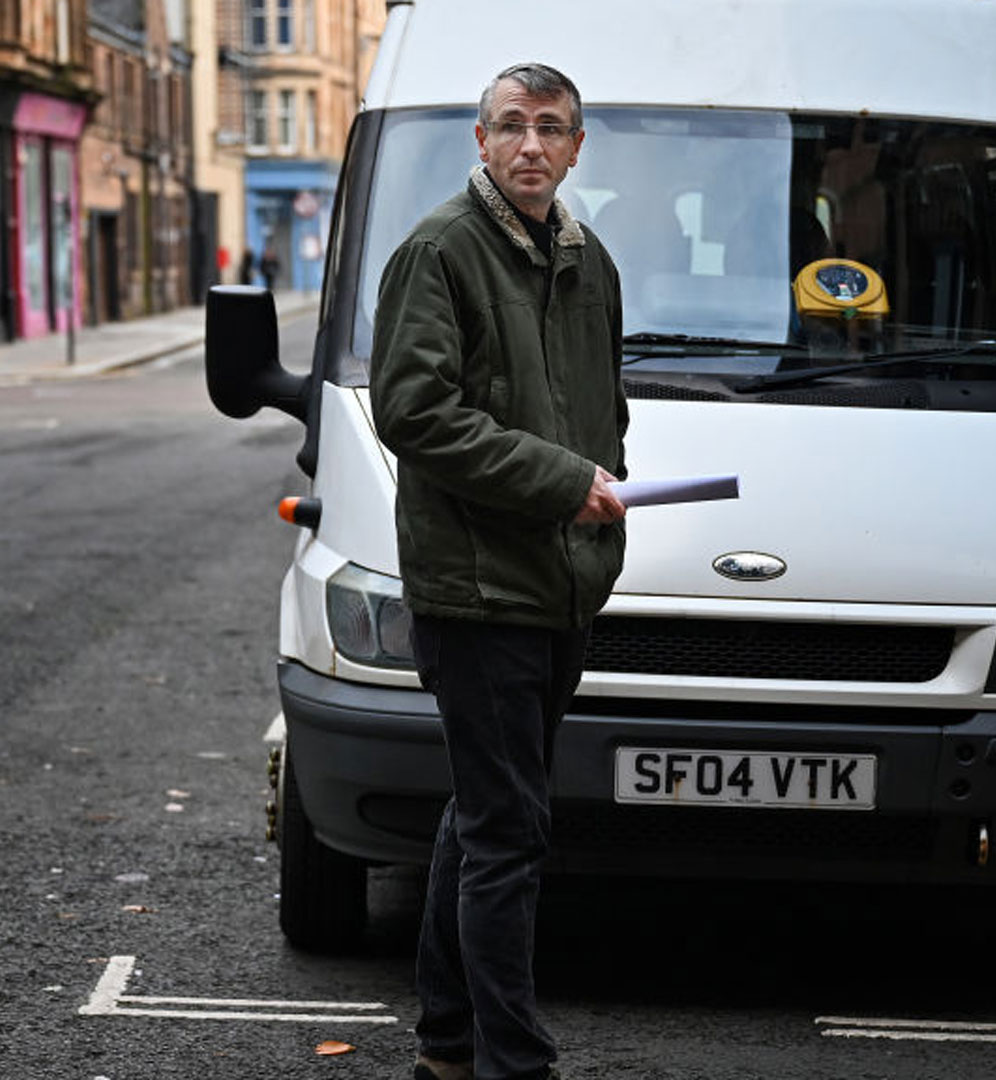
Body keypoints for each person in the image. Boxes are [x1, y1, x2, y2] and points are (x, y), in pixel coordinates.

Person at [369, 62, 628, 1080]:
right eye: (511, 127)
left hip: (557, 583)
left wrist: (603, 506)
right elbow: (415, 414)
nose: (531, 145)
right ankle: (513, 1064)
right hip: (477, 593)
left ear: (576, 148)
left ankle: (446, 1043)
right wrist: (566, 481)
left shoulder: (586, 258)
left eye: (551, 129)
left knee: (484, 820)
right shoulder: (439, 252)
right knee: (510, 836)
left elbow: (603, 409)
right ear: (479, 141)